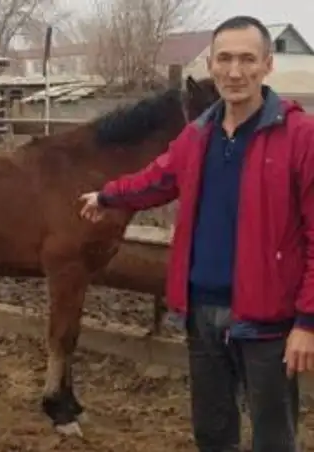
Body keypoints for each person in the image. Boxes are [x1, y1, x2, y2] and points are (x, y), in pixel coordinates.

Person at [78, 16, 314, 452]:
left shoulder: (300, 136)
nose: (235, 71)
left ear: (267, 65)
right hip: (201, 313)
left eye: (247, 59)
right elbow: (155, 179)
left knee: (273, 436)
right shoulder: (199, 134)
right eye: (224, 58)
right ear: (211, 64)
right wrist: (108, 196)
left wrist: (307, 321)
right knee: (212, 432)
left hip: (267, 320)